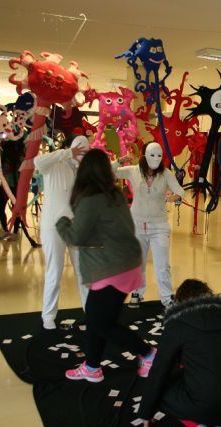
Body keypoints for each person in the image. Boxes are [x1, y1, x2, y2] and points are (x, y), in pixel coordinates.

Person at [55, 149, 156, 383]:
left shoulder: (90, 200)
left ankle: (149, 354)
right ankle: (92, 367)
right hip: (126, 263)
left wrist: (61, 223)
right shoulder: (116, 195)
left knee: (102, 323)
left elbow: (76, 237)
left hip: (112, 268)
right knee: (96, 319)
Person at [140, 279, 221, 426]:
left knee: (161, 392)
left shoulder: (177, 323)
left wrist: (146, 411)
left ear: (180, 302)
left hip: (208, 405)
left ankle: (198, 421)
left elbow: (159, 371)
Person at [114, 142, 185, 307]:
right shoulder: (133, 171)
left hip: (159, 226)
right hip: (137, 225)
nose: (156, 159)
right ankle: (137, 293)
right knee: (138, 263)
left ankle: (167, 298)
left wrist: (175, 197)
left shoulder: (166, 174)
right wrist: (120, 160)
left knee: (162, 266)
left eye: (159, 155)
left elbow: (179, 190)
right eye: (152, 155)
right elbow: (110, 172)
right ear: (144, 156)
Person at [34, 135, 90, 329]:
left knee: (83, 271)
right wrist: (67, 153)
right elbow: (37, 161)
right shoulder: (54, 165)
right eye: (79, 151)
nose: (81, 155)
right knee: (54, 270)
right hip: (53, 227)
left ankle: (90, 312)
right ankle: (48, 315)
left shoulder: (81, 173)